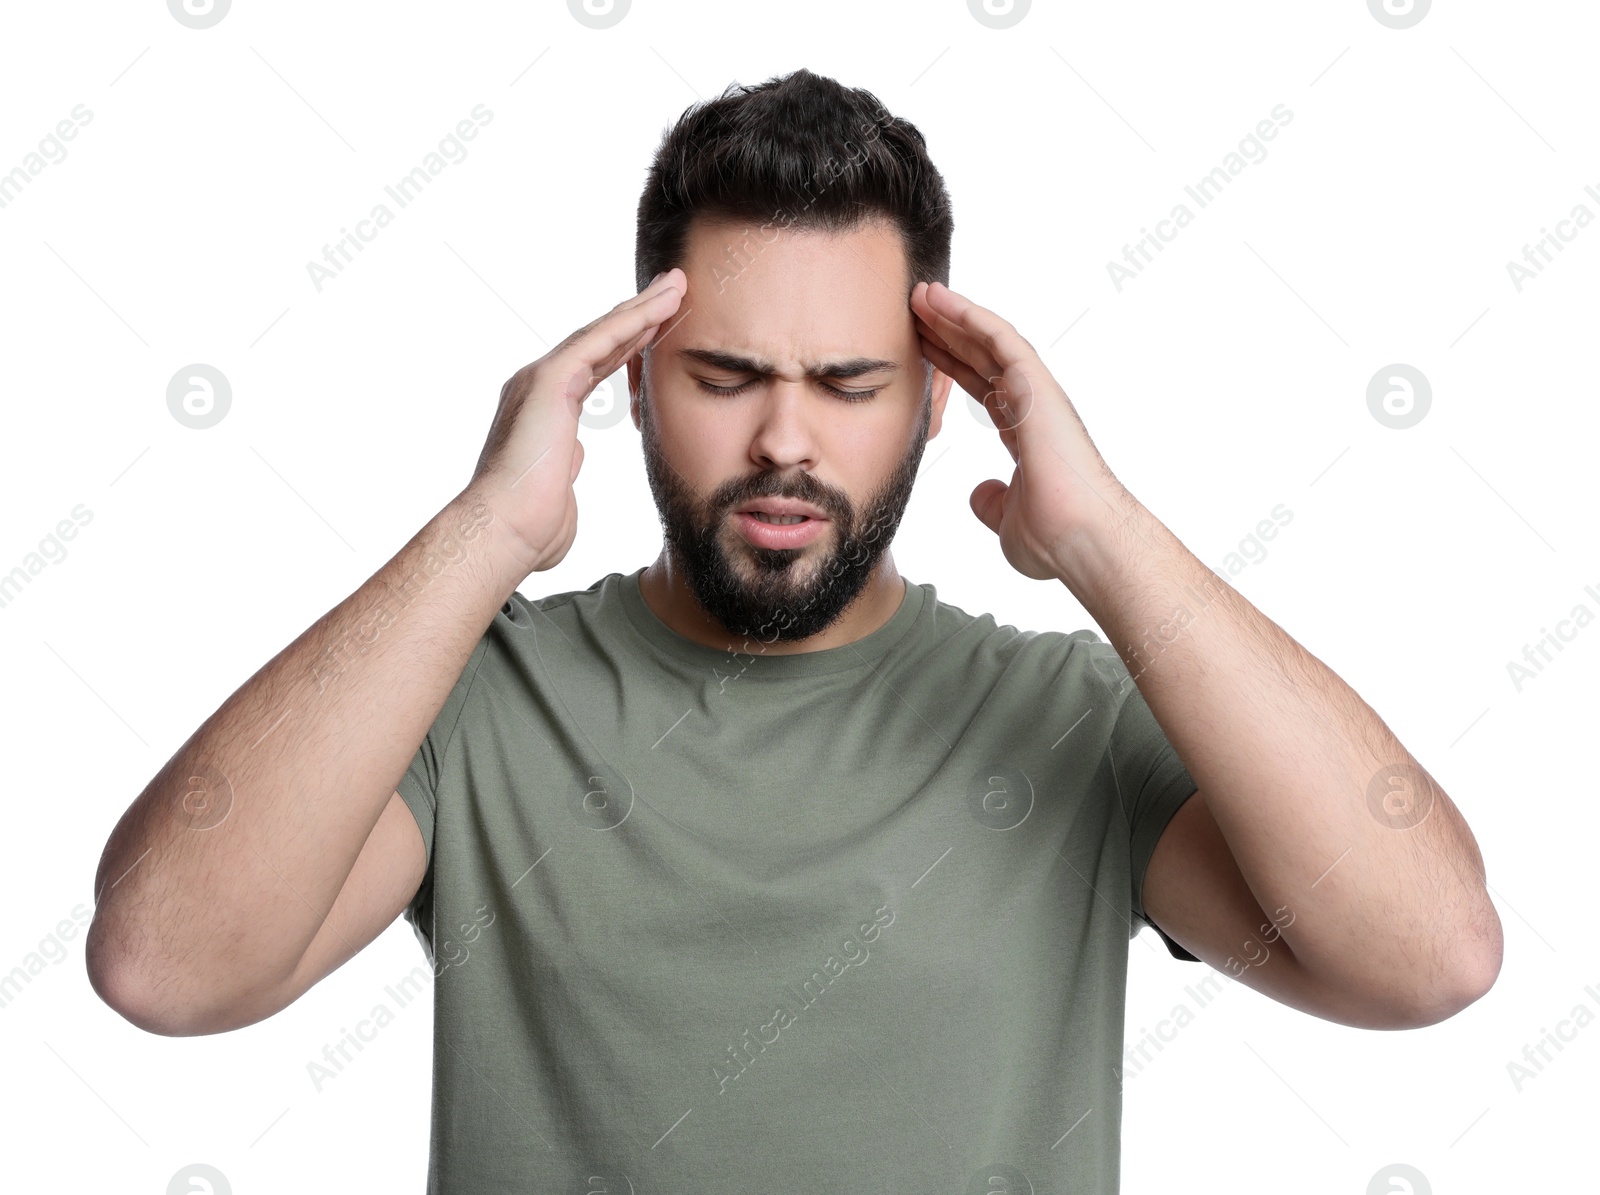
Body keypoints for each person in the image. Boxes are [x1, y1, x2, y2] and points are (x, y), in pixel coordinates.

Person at [86, 68, 1501, 1193]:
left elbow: (1431, 958)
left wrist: (1104, 537)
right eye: (725, 375)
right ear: (634, 383)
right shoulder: (480, 703)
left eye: (847, 381)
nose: (785, 440)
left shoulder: (1064, 723)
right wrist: (484, 536)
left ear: (939, 398)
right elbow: (164, 967)